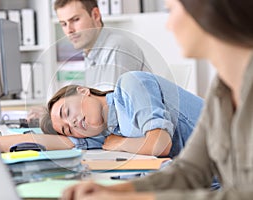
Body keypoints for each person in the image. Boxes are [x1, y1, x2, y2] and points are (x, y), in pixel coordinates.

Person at [61, 0, 253, 199]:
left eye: (171, 11)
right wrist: (114, 191)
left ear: (204, 10)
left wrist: (130, 198)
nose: (168, 25)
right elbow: (190, 170)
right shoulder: (221, 90)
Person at [28, 0, 148, 119]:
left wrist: (53, 117)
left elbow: (107, 113)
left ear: (95, 15)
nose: (69, 30)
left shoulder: (116, 48)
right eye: (63, 24)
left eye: (75, 20)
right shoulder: (91, 54)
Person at [40, 71, 203, 158]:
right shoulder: (108, 131)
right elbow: (67, 143)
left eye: (66, 112)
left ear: (83, 91)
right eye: (68, 129)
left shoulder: (130, 85)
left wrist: (120, 143)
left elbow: (159, 145)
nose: (72, 123)